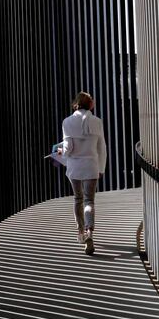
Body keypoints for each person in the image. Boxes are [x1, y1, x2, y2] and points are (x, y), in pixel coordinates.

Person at [58, 92, 107, 255]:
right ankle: (90, 232)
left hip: (74, 168)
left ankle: (80, 233)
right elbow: (102, 148)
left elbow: (68, 148)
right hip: (91, 166)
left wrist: (59, 152)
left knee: (78, 199)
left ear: (76, 104)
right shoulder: (97, 122)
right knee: (89, 201)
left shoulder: (67, 122)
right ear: (90, 105)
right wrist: (101, 168)